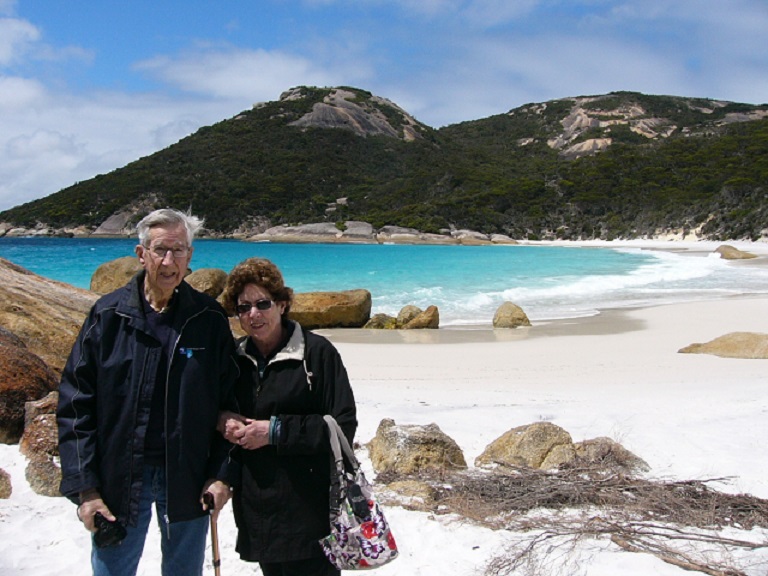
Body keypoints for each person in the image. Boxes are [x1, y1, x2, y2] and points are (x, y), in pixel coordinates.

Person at [57, 208, 239, 576]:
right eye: (160, 250)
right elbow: (75, 404)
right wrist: (86, 489)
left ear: (190, 256)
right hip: (120, 476)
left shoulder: (208, 320)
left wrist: (222, 475)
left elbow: (232, 405)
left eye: (179, 250)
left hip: (188, 477)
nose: (169, 261)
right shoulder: (107, 317)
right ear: (142, 255)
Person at [218, 257, 357, 576]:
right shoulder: (236, 360)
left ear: (282, 304)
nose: (253, 314)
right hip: (259, 511)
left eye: (262, 303)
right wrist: (221, 419)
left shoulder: (317, 353)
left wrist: (275, 431)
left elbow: (343, 425)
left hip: (310, 512)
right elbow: (218, 414)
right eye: (243, 307)